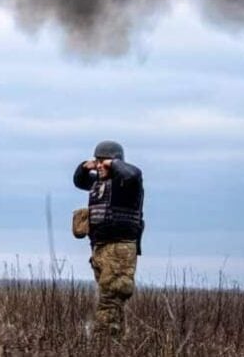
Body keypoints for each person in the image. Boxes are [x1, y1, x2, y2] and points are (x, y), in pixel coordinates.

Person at [73, 140, 144, 339]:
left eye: (104, 162)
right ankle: (115, 344)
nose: (100, 166)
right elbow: (79, 181)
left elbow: (133, 173)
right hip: (100, 249)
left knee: (110, 299)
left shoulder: (128, 185)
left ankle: (103, 344)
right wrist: (85, 166)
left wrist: (112, 163)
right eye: (98, 161)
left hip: (120, 248)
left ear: (115, 162)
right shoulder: (100, 183)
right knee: (109, 299)